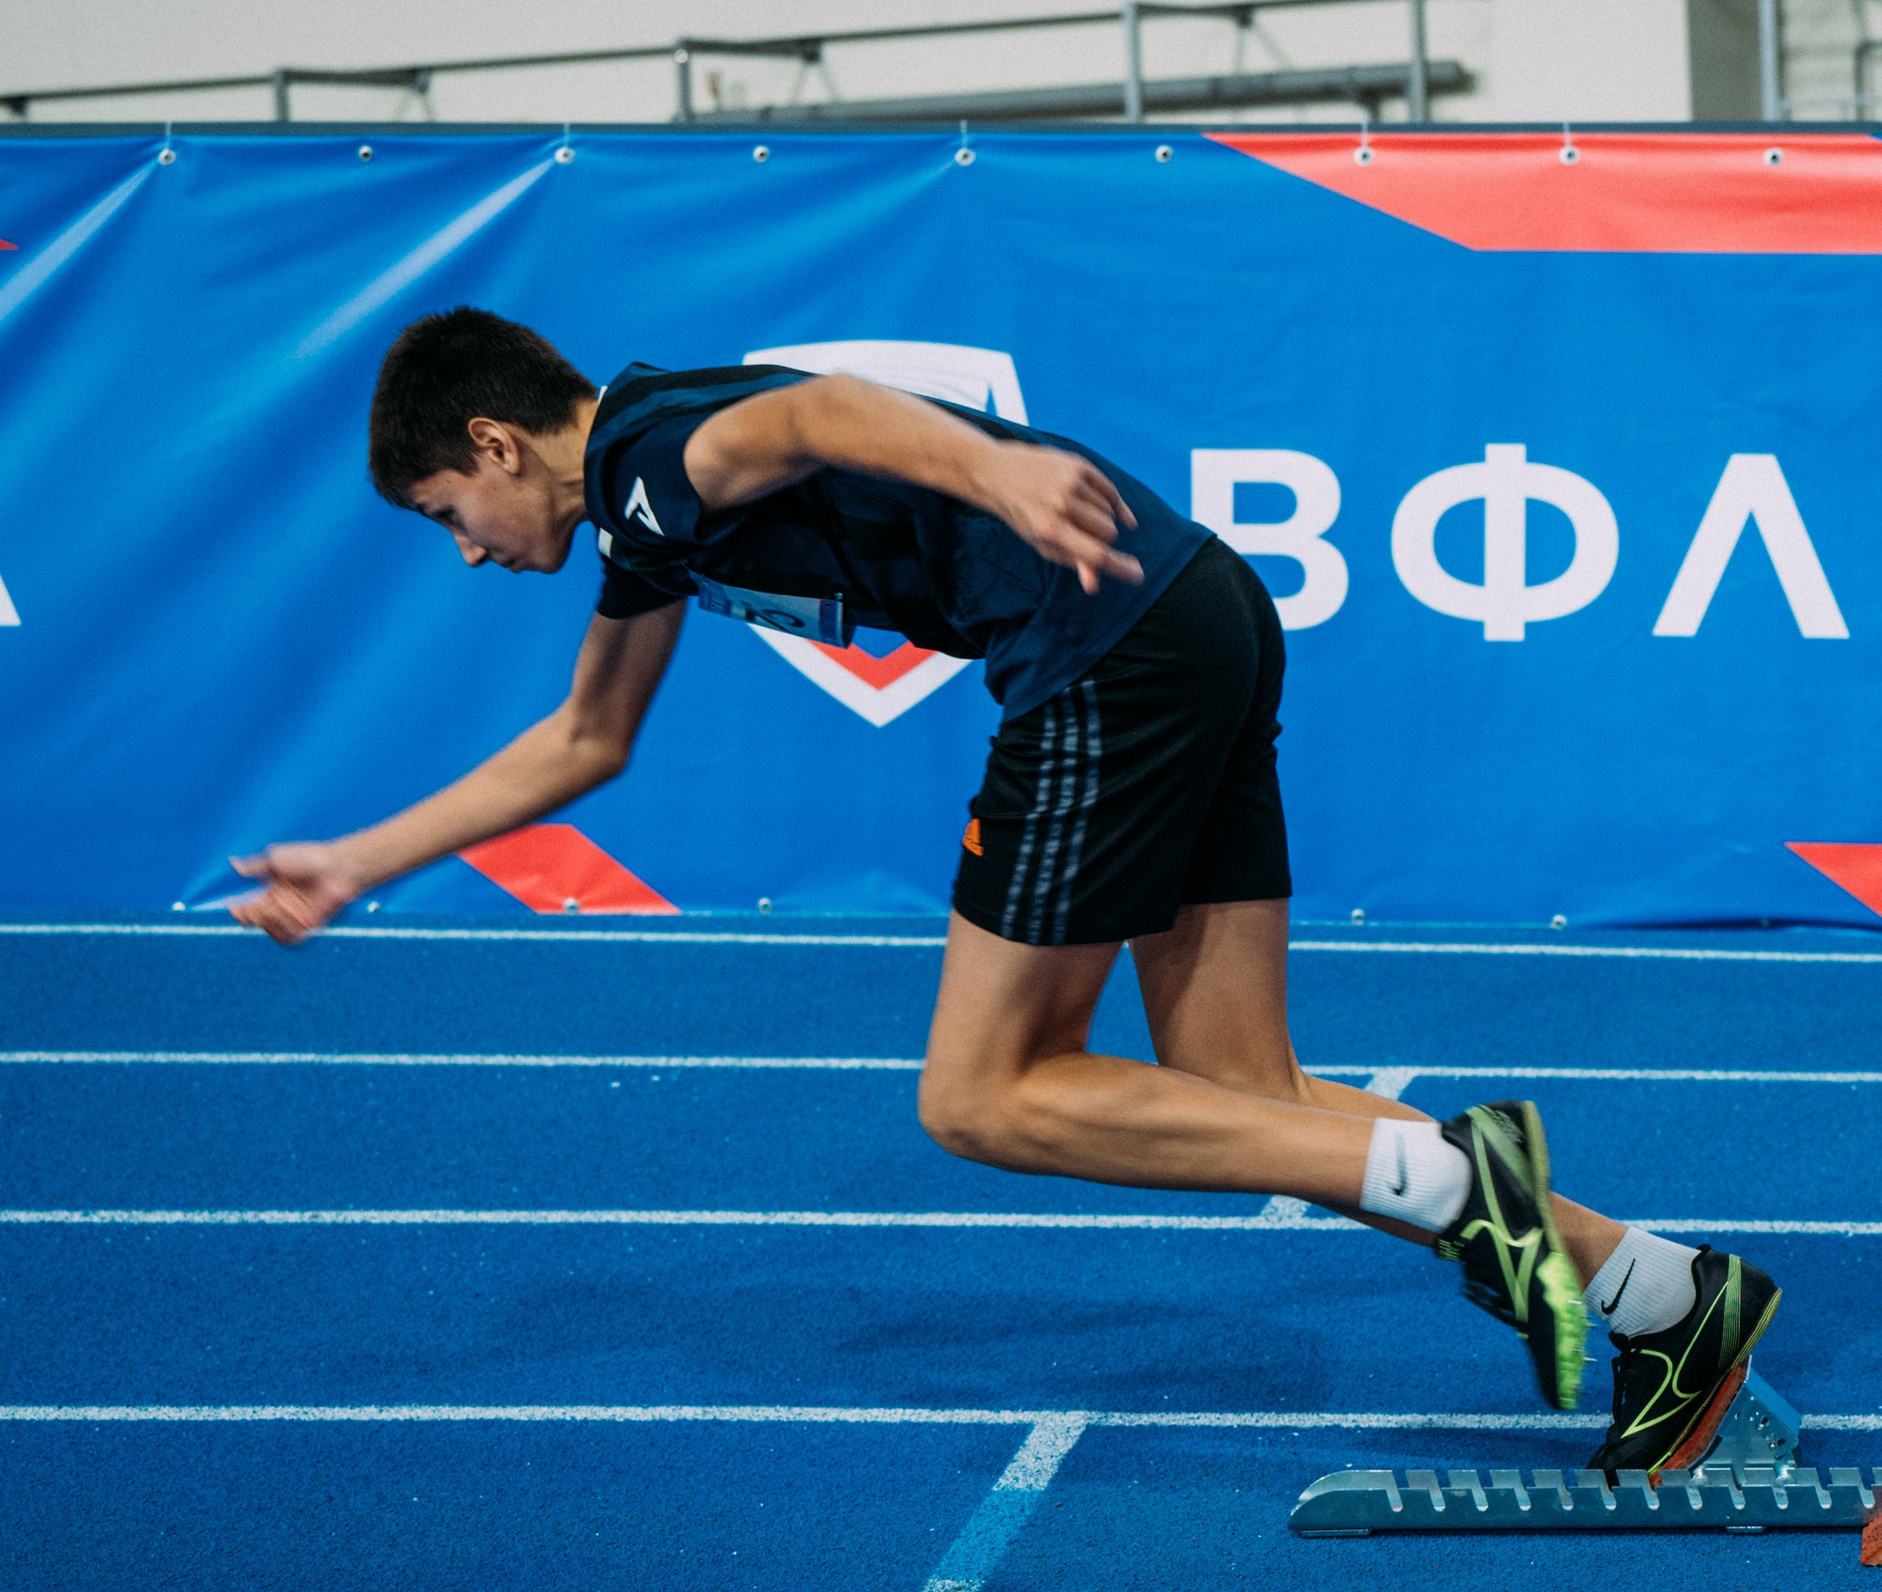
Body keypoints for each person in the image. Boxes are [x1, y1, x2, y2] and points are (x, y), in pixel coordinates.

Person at [227, 306, 1781, 1475]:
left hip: (1101, 651)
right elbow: (587, 739)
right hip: (1197, 609)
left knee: (978, 1096)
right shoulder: (643, 524)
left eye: (447, 514)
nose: (468, 552)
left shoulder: (648, 457)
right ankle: (1669, 1297)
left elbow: (825, 409)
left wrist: (1000, 473)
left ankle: (1459, 1179)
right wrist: (356, 862)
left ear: (497, 444)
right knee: (1245, 1090)